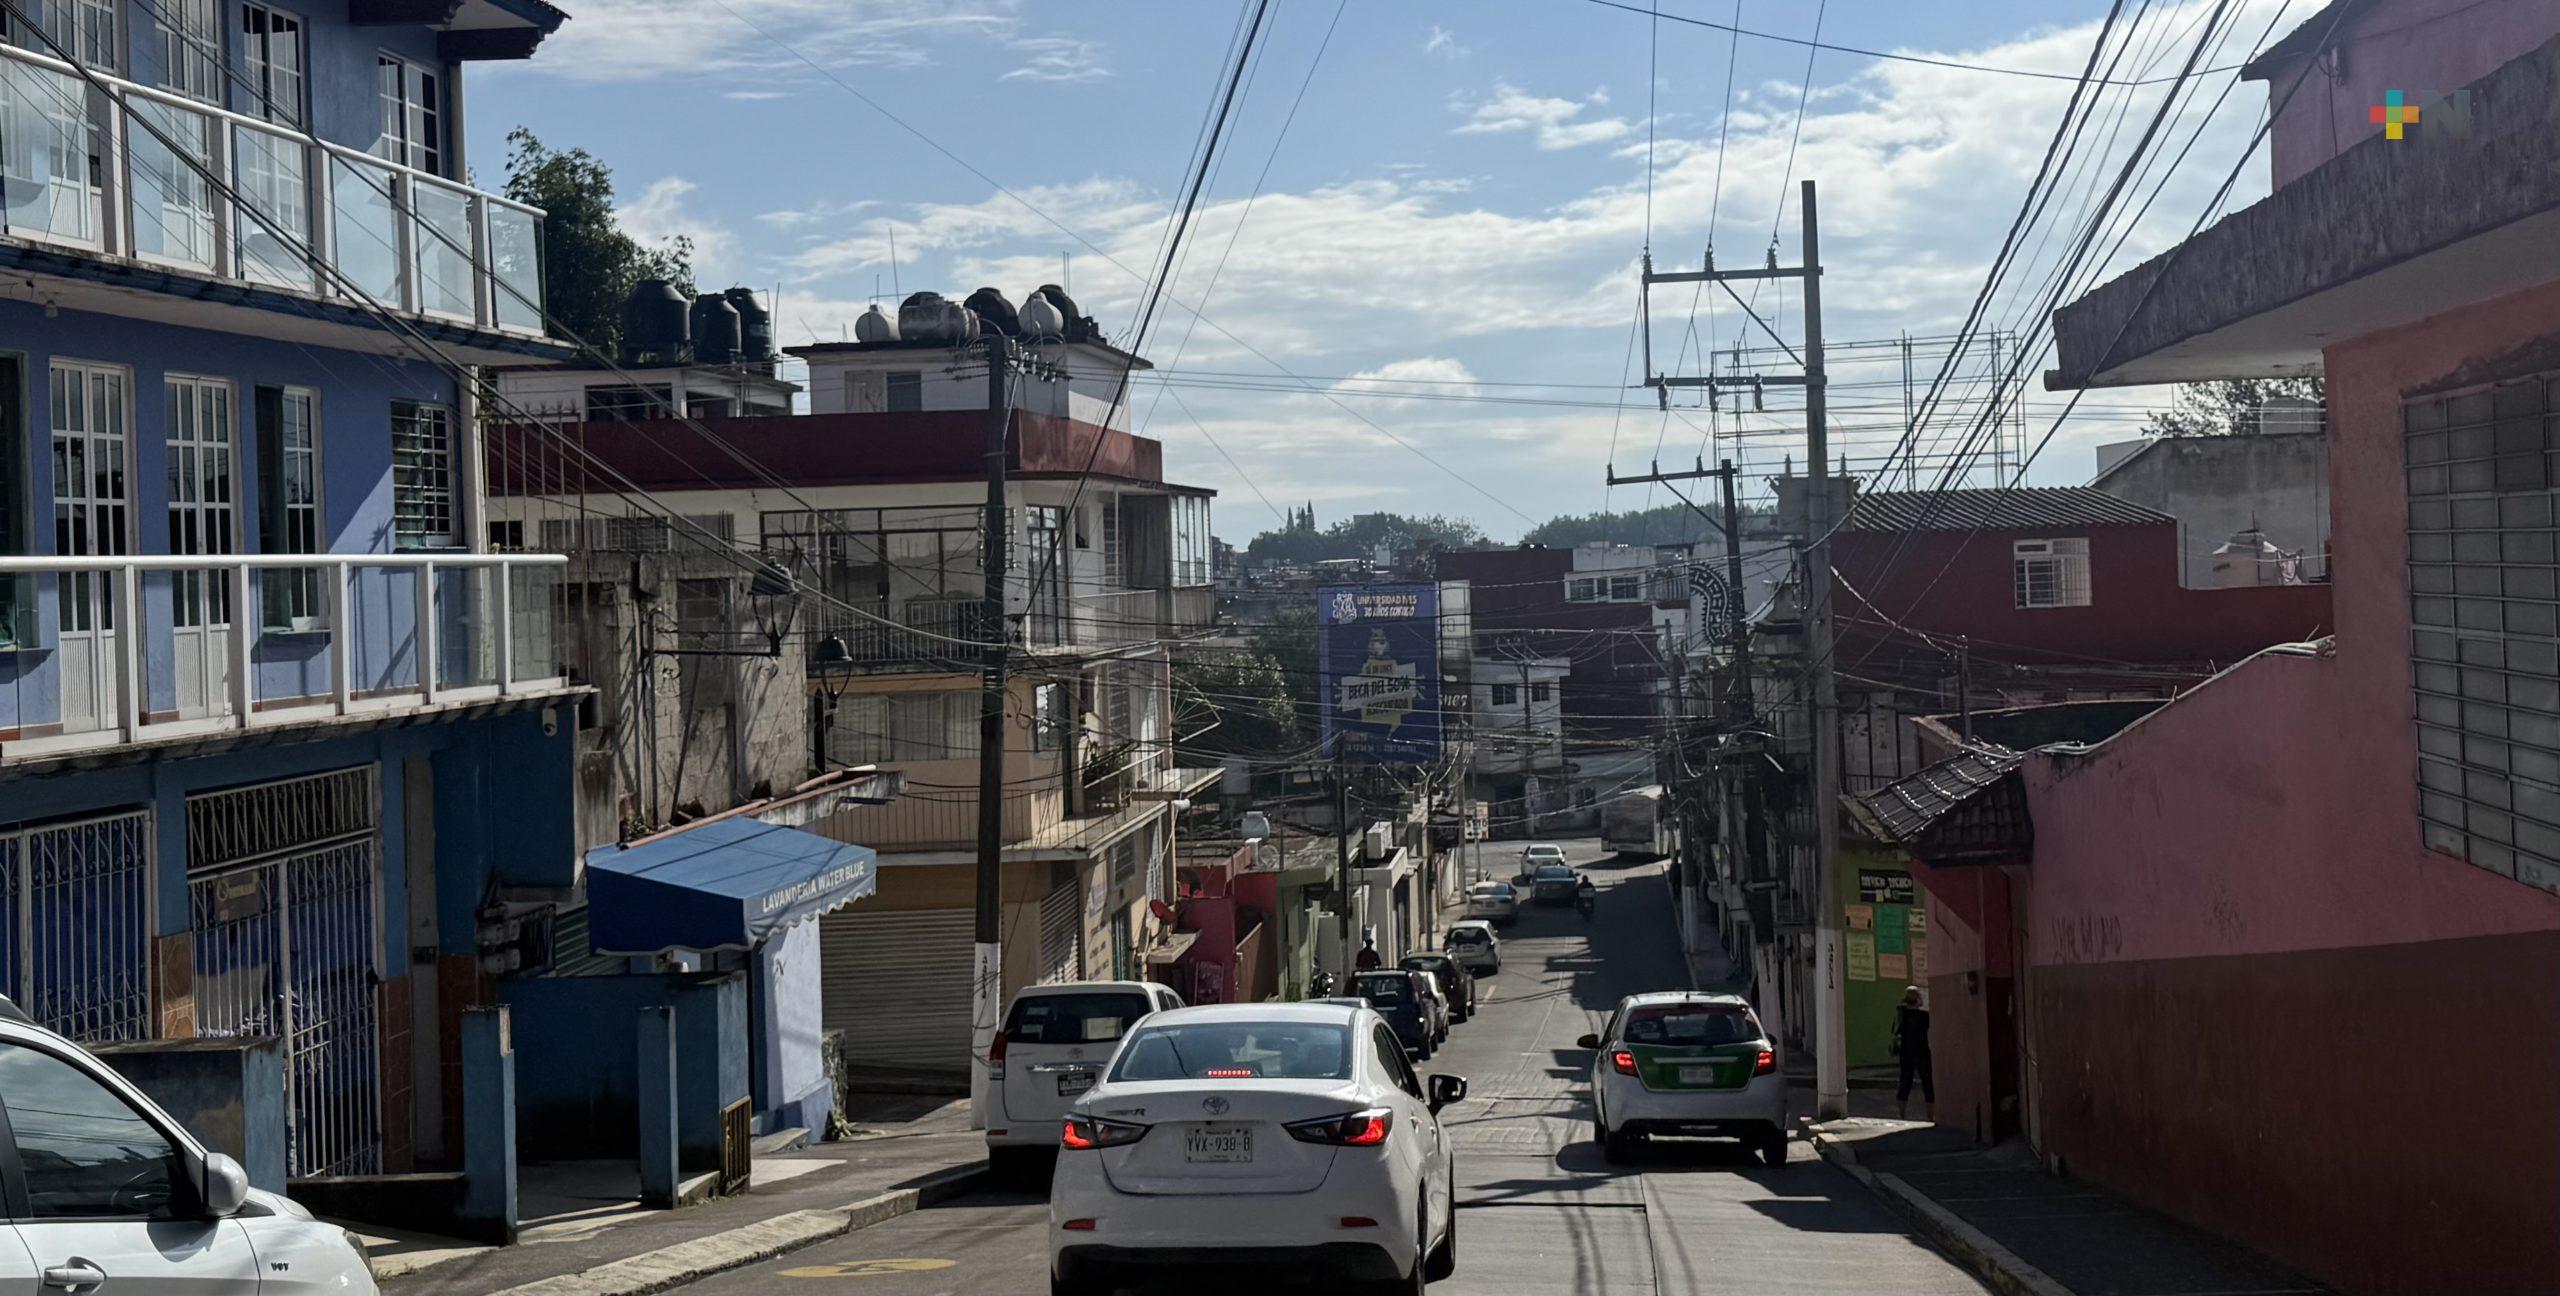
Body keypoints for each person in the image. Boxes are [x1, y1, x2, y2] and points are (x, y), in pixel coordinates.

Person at [1892, 985, 1934, 1120]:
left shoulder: (1901, 1014)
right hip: (1922, 1051)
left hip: (1906, 1052)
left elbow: (1894, 1030)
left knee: (1905, 1082)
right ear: (1918, 999)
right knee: (1927, 1083)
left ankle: (1902, 1115)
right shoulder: (1924, 1016)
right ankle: (1930, 1116)